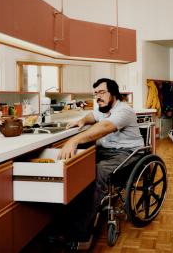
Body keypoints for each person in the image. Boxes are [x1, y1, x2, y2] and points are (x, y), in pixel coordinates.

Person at [54, 78, 144, 249]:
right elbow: (93, 116)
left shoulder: (124, 110)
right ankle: (69, 219)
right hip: (106, 151)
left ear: (114, 94)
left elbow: (105, 126)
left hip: (129, 153)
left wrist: (74, 140)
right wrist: (82, 120)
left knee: (96, 171)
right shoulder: (102, 108)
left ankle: (80, 233)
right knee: (78, 165)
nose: (98, 96)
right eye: (96, 93)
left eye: (102, 92)